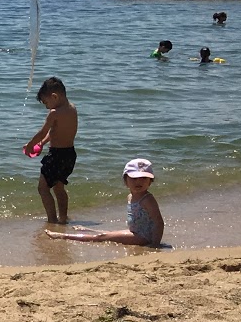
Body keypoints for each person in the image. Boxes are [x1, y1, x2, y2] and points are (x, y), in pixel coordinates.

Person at [47, 159, 163, 246]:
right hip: (136, 231)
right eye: (134, 178)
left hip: (143, 237)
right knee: (110, 233)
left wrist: (155, 243)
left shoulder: (147, 199)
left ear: (150, 182)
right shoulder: (131, 196)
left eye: (143, 178)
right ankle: (87, 230)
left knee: (102, 237)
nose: (138, 182)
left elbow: (158, 222)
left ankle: (64, 236)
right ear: (125, 181)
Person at [24, 76, 77, 225]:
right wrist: (42, 143)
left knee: (43, 188)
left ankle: (52, 220)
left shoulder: (54, 113)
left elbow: (43, 131)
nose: (47, 107)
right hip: (70, 155)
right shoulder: (72, 108)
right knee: (59, 187)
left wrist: (30, 144)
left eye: (46, 103)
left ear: (54, 96)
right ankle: (63, 218)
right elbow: (55, 132)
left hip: (56, 156)